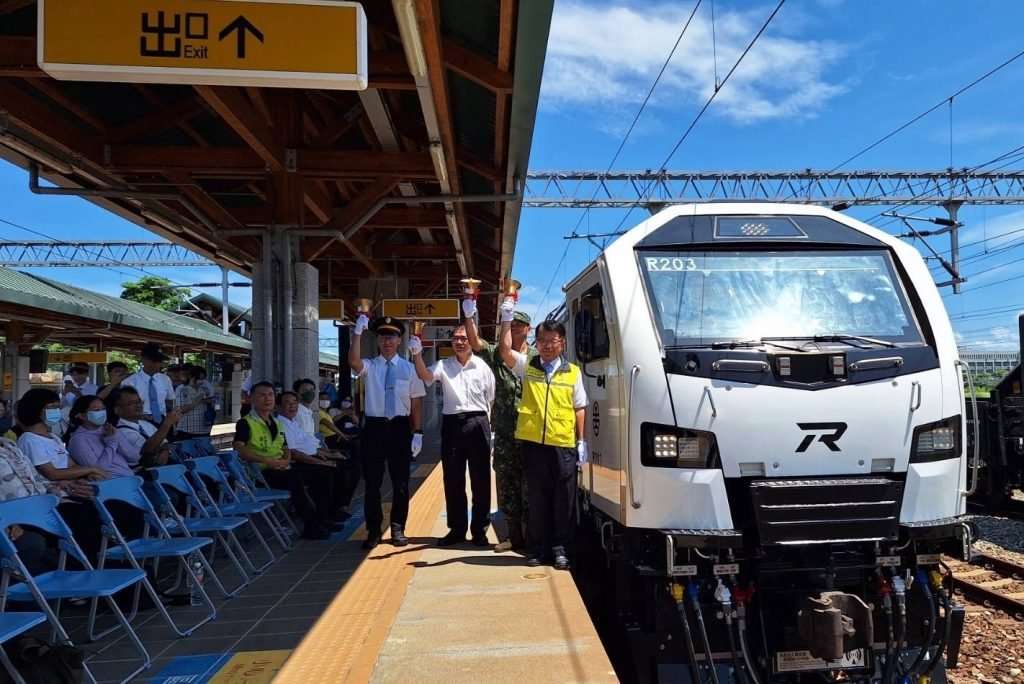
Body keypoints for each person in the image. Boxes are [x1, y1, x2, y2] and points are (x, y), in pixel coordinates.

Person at [498, 302, 588, 571]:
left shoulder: (573, 372)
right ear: (536, 342)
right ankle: (537, 550)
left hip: (563, 446)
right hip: (534, 445)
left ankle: (561, 551)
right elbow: (504, 351)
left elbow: (579, 407)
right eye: (543, 341)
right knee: (536, 500)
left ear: (562, 343)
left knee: (564, 502)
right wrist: (506, 319)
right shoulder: (528, 366)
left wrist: (581, 441)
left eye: (553, 341)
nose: (548, 345)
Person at [410, 324, 495, 547]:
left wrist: (489, 427)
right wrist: (417, 354)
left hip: (478, 422)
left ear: (471, 341)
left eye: (464, 338)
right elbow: (425, 376)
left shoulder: (482, 366)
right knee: (453, 479)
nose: (459, 342)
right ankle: (457, 529)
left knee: (481, 479)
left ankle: (479, 530)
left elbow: (491, 398)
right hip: (452, 424)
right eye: (456, 338)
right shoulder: (443, 365)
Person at [464, 296, 537, 552]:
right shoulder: (496, 354)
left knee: (531, 485)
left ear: (529, 329)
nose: (516, 328)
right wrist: (469, 312)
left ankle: (533, 538)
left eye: (521, 325)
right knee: (507, 485)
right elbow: (474, 342)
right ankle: (514, 537)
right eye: (512, 324)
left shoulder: (538, 358)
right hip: (506, 431)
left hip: (532, 433)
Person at [348, 315, 425, 550]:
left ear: (399, 340)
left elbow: (416, 403)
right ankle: (373, 530)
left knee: (401, 482)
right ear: (378, 340)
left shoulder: (409, 368)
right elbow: (353, 363)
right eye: (383, 336)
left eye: (392, 336)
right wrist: (358, 332)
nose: (387, 341)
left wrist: (418, 431)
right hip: (375, 427)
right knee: (372, 483)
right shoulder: (370, 366)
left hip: (400, 428)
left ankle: (398, 527)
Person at [232, 382, 336, 540]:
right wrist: (268, 461)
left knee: (323, 473)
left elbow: (286, 447)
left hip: (282, 467)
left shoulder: (277, 423)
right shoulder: (246, 423)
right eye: (262, 395)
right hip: (261, 472)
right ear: (252, 398)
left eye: (270, 395)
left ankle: (323, 519)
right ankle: (311, 526)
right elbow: (239, 448)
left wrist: (285, 460)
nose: (267, 398)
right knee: (296, 479)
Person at [15, 388, 107, 483]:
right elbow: (52, 474)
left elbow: (71, 465)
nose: (57, 411)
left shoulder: (53, 437)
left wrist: (86, 476)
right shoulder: (29, 439)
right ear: (36, 409)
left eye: (58, 407)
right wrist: (91, 469)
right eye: (51, 407)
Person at [108, 386, 179, 469]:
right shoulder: (120, 432)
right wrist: (167, 424)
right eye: (131, 403)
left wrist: (165, 450)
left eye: (139, 402)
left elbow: (164, 442)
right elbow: (147, 451)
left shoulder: (145, 424)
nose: (138, 406)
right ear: (117, 410)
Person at [66, 395, 135, 477]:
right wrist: (111, 444)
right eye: (96, 410)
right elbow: (97, 471)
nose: (102, 413)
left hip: (130, 479)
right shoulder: (78, 440)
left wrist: (117, 437)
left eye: (103, 409)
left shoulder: (108, 431)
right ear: (82, 416)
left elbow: (133, 457)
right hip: (111, 484)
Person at [122, 343, 174, 424]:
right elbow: (125, 407)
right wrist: (142, 416)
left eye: (159, 361)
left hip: (162, 420)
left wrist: (170, 420)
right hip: (140, 422)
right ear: (143, 359)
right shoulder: (129, 382)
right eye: (153, 360)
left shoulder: (165, 379)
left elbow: (169, 401)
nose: (157, 364)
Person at [173, 365, 209, 441]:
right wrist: (198, 401)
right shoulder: (182, 389)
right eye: (199, 379)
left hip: (204, 430)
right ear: (192, 377)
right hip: (187, 431)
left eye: (203, 379)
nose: (201, 381)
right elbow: (180, 410)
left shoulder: (204, 389)